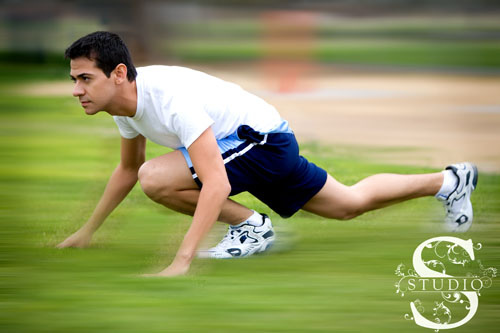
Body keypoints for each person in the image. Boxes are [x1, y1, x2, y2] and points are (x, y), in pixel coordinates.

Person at [57, 31, 478, 277]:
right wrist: (87, 232)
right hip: (262, 142)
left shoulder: (169, 99)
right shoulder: (121, 104)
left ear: (118, 74)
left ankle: (253, 229)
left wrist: (181, 260)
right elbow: (125, 171)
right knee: (349, 204)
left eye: (84, 79)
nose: (77, 90)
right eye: (75, 79)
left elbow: (214, 181)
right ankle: (450, 181)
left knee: (158, 177)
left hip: (260, 141)